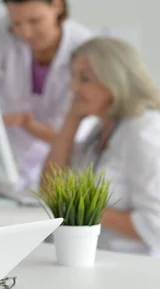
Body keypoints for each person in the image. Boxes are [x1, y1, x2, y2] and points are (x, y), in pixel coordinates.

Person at [0, 0, 92, 192]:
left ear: (57, 6)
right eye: (17, 23)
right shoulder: (2, 30)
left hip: (57, 156)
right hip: (6, 152)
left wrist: (30, 126)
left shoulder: (84, 47)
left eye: (35, 21)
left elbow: (73, 129)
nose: (25, 32)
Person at [42, 37, 160, 256]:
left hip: (131, 269)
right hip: (93, 258)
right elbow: (50, 187)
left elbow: (156, 225)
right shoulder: (103, 128)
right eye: (73, 78)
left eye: (84, 79)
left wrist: (83, 207)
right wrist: (71, 119)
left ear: (115, 80)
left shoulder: (145, 133)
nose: (73, 87)